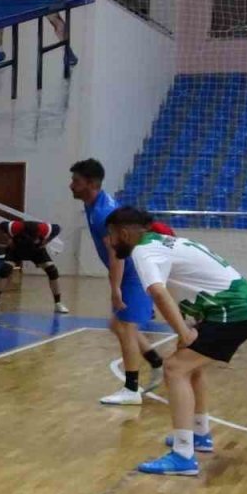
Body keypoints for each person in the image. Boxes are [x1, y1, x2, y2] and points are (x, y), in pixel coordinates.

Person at [107, 208, 247, 476]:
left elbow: (158, 293)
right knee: (189, 365)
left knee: (174, 368)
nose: (111, 243)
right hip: (237, 305)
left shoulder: (142, 251)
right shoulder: (163, 242)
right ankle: (200, 434)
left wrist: (183, 333)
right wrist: (187, 329)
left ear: (124, 233)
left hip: (236, 310)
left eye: (111, 236)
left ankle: (183, 455)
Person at [72, 158, 165, 404]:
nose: (71, 185)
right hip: (132, 270)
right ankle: (155, 360)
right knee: (117, 324)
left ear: (90, 184)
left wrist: (115, 289)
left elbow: (118, 256)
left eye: (76, 181)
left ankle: (132, 389)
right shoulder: (96, 205)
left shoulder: (103, 212)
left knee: (125, 327)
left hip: (133, 272)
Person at [0, 219, 70, 314]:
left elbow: (59, 228)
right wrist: (8, 239)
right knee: (5, 270)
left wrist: (46, 241)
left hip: (37, 251)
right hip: (16, 249)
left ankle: (58, 303)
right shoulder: (14, 227)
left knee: (52, 271)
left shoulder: (45, 229)